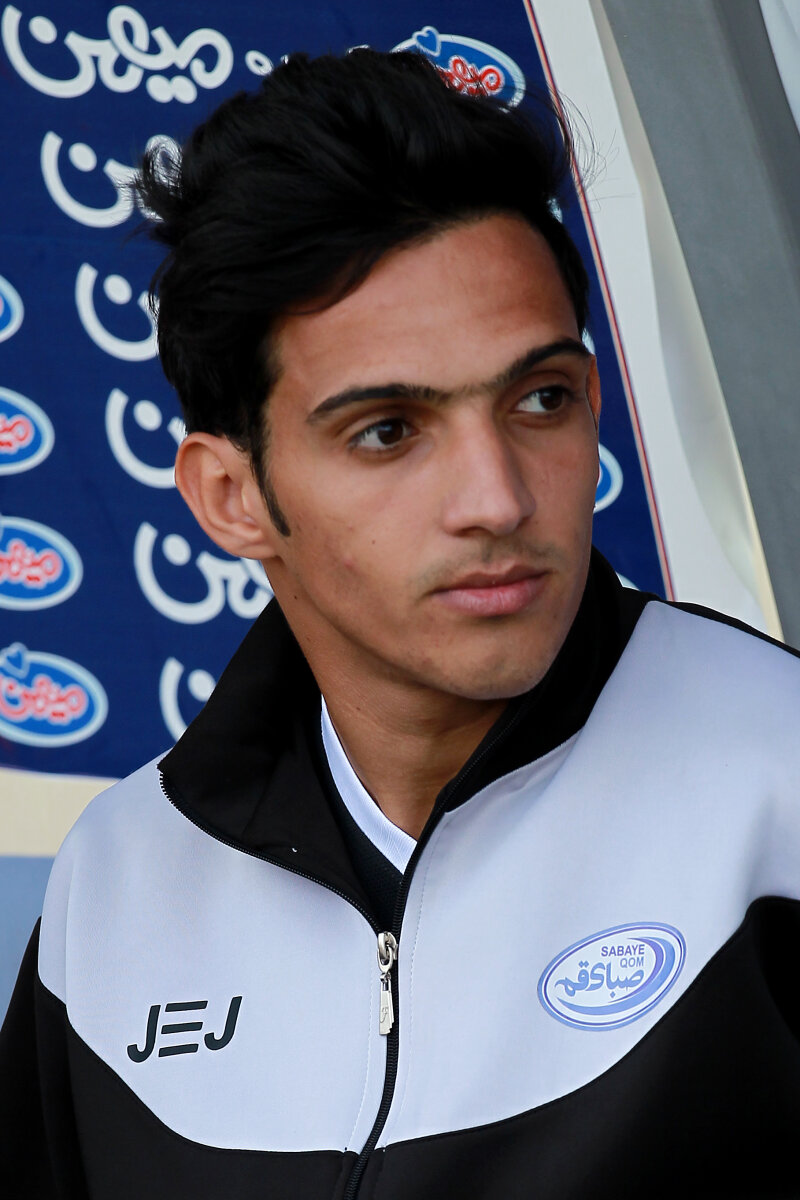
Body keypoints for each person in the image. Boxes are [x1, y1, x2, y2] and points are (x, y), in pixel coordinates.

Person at [1, 47, 799, 1200]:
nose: (496, 499)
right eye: (387, 431)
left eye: (540, 400)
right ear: (231, 497)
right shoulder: (121, 885)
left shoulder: (776, 785)